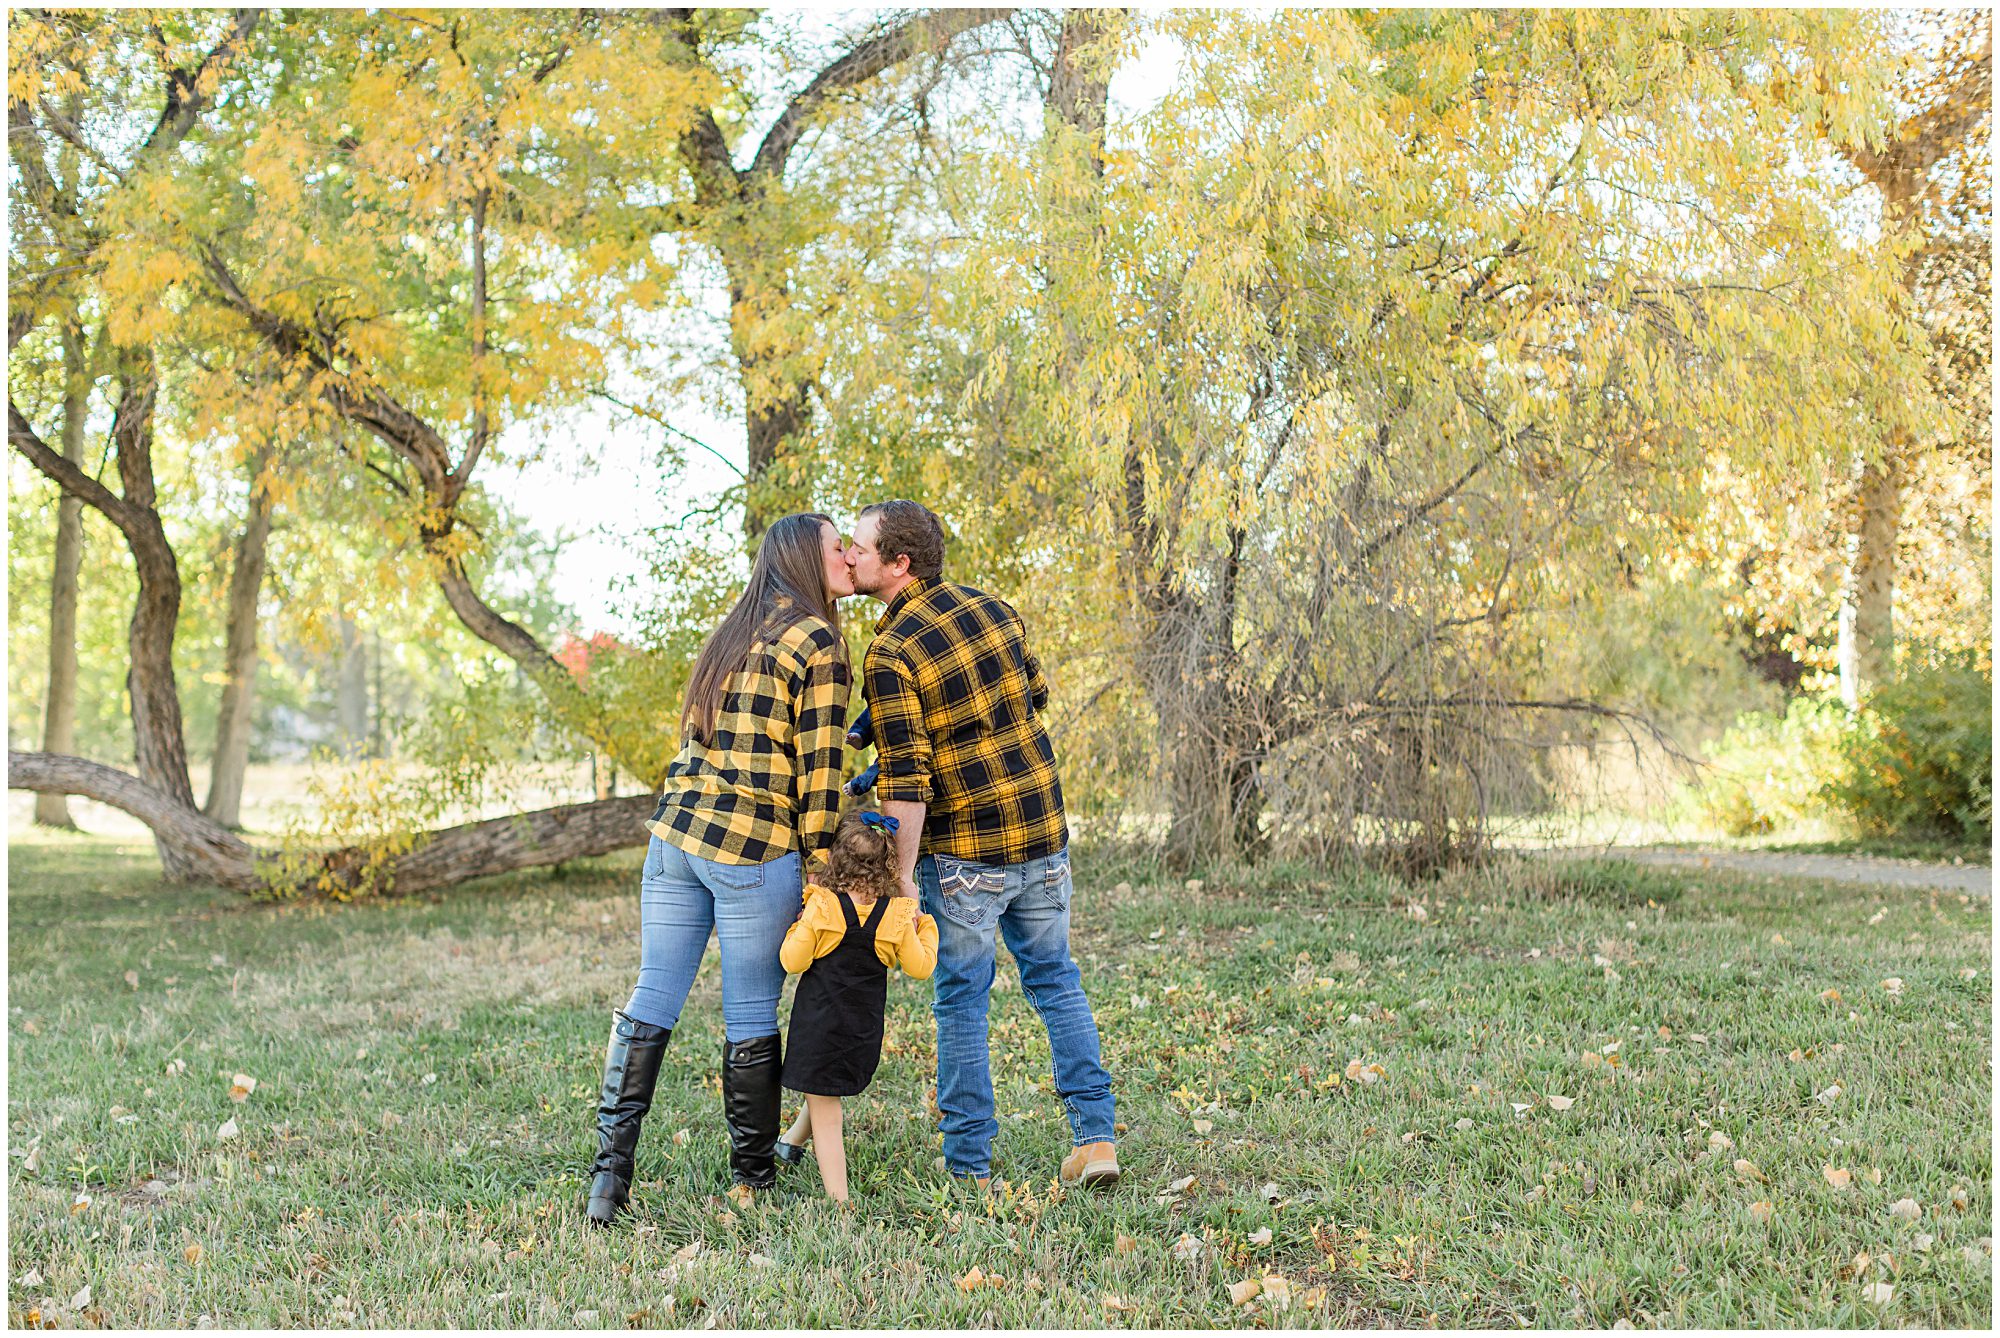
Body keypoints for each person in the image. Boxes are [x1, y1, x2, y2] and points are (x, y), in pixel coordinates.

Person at [583, 512, 852, 1226]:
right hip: (750, 849)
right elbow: (821, 774)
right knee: (750, 1013)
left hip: (675, 838)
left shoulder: (733, 631)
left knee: (651, 1000)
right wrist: (822, 871)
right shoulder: (818, 641)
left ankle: (607, 1182)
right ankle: (751, 1178)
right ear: (803, 557)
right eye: (837, 548)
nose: (849, 558)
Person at [844, 500, 1120, 1191]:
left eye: (861, 549)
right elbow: (1034, 694)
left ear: (899, 562)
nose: (850, 559)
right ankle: (1097, 1139)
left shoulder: (892, 649)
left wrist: (903, 876)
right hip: (1042, 834)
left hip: (967, 853)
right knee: (1056, 982)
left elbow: (910, 779)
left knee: (962, 1001)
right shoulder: (994, 607)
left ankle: (969, 1166)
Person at [771, 809, 939, 1203]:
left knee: (828, 1117)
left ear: (835, 857)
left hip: (818, 1025)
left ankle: (840, 1204)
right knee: (825, 1090)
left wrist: (798, 927)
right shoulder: (896, 915)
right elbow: (921, 968)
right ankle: (791, 1141)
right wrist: (925, 925)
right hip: (861, 1028)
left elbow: (791, 961)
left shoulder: (822, 905)